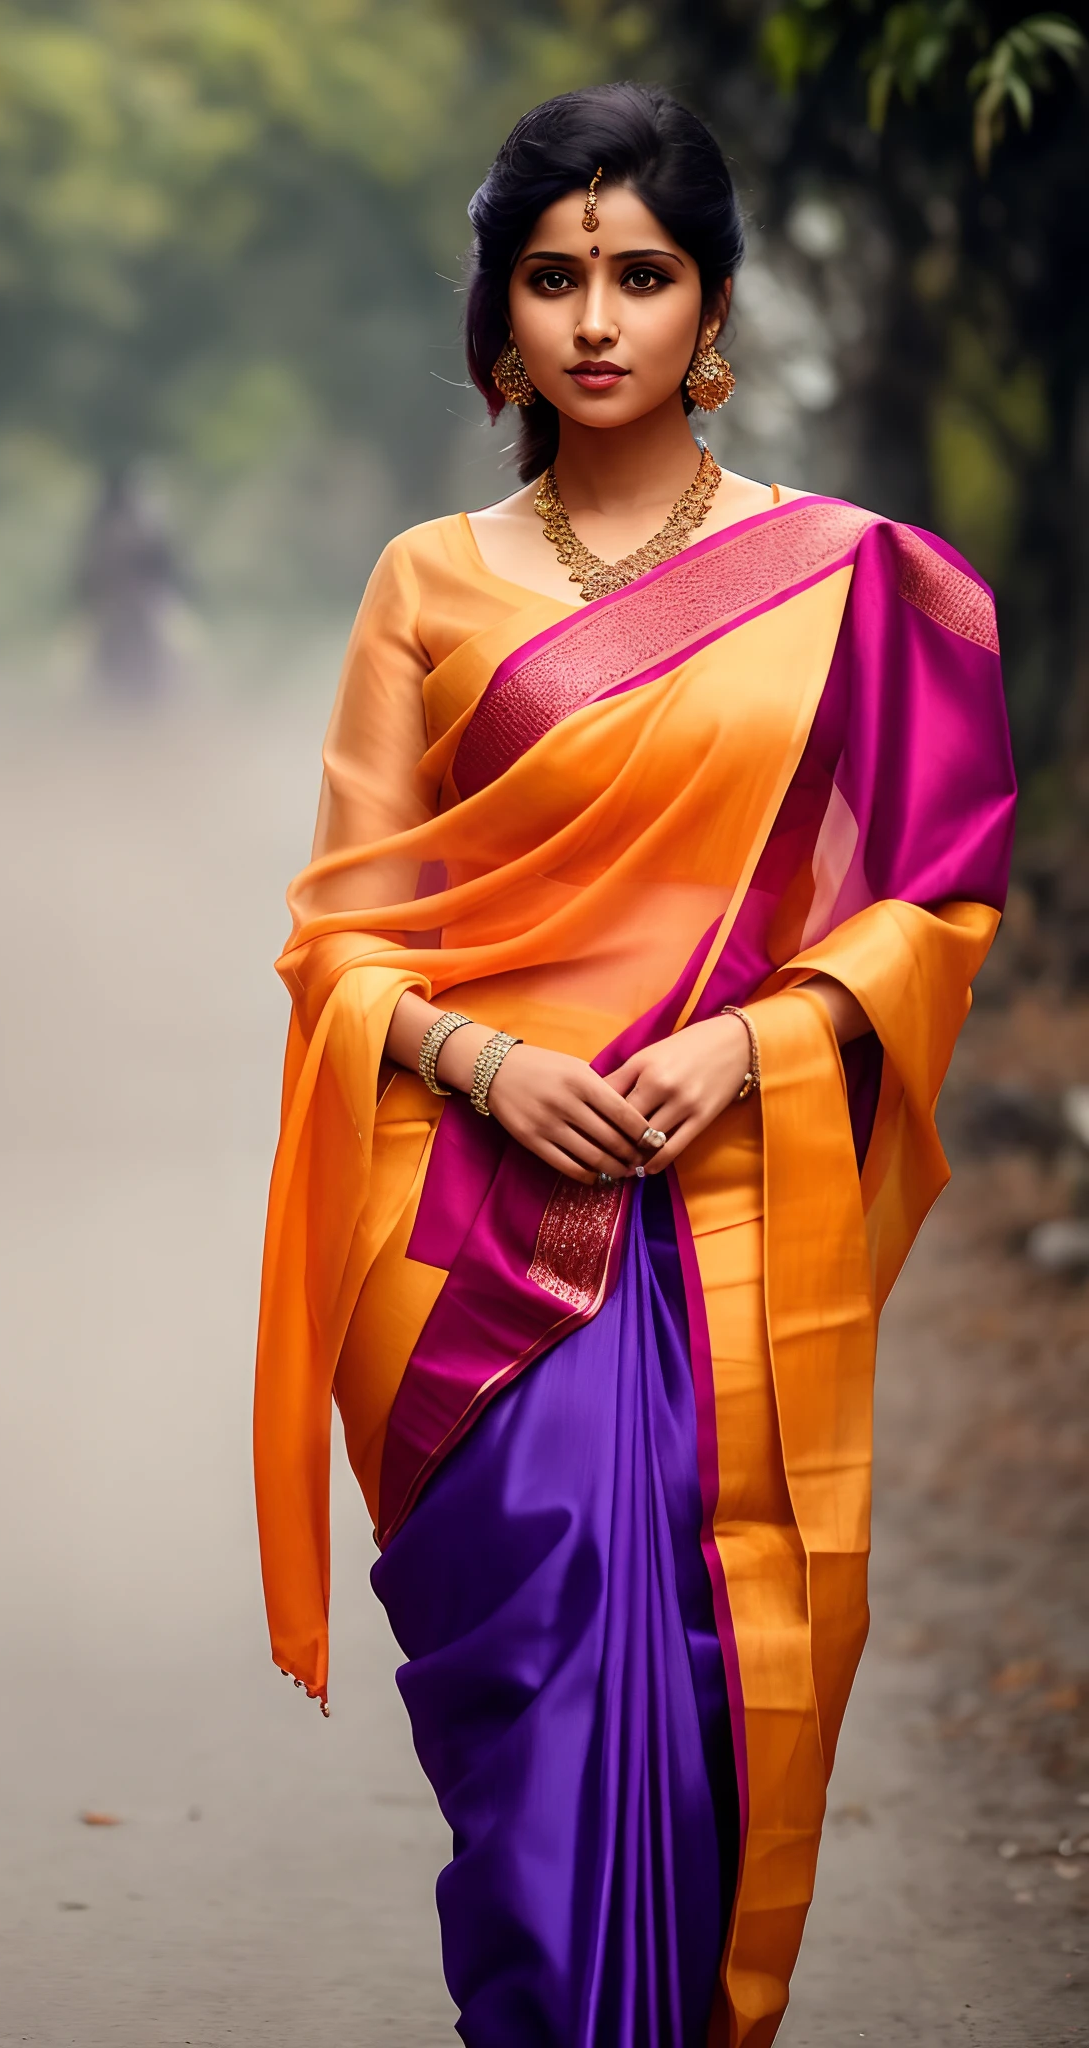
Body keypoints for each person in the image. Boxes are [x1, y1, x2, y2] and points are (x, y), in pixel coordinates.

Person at [253, 83, 1014, 2047]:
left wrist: (758, 1039)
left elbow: (934, 895)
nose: (597, 320)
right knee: (538, 1728)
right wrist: (491, 1069)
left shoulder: (846, 583)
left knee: (699, 1710)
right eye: (555, 277)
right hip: (468, 1243)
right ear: (500, 320)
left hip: (730, 1221)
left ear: (713, 308)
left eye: (641, 277)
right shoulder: (428, 583)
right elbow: (335, 944)